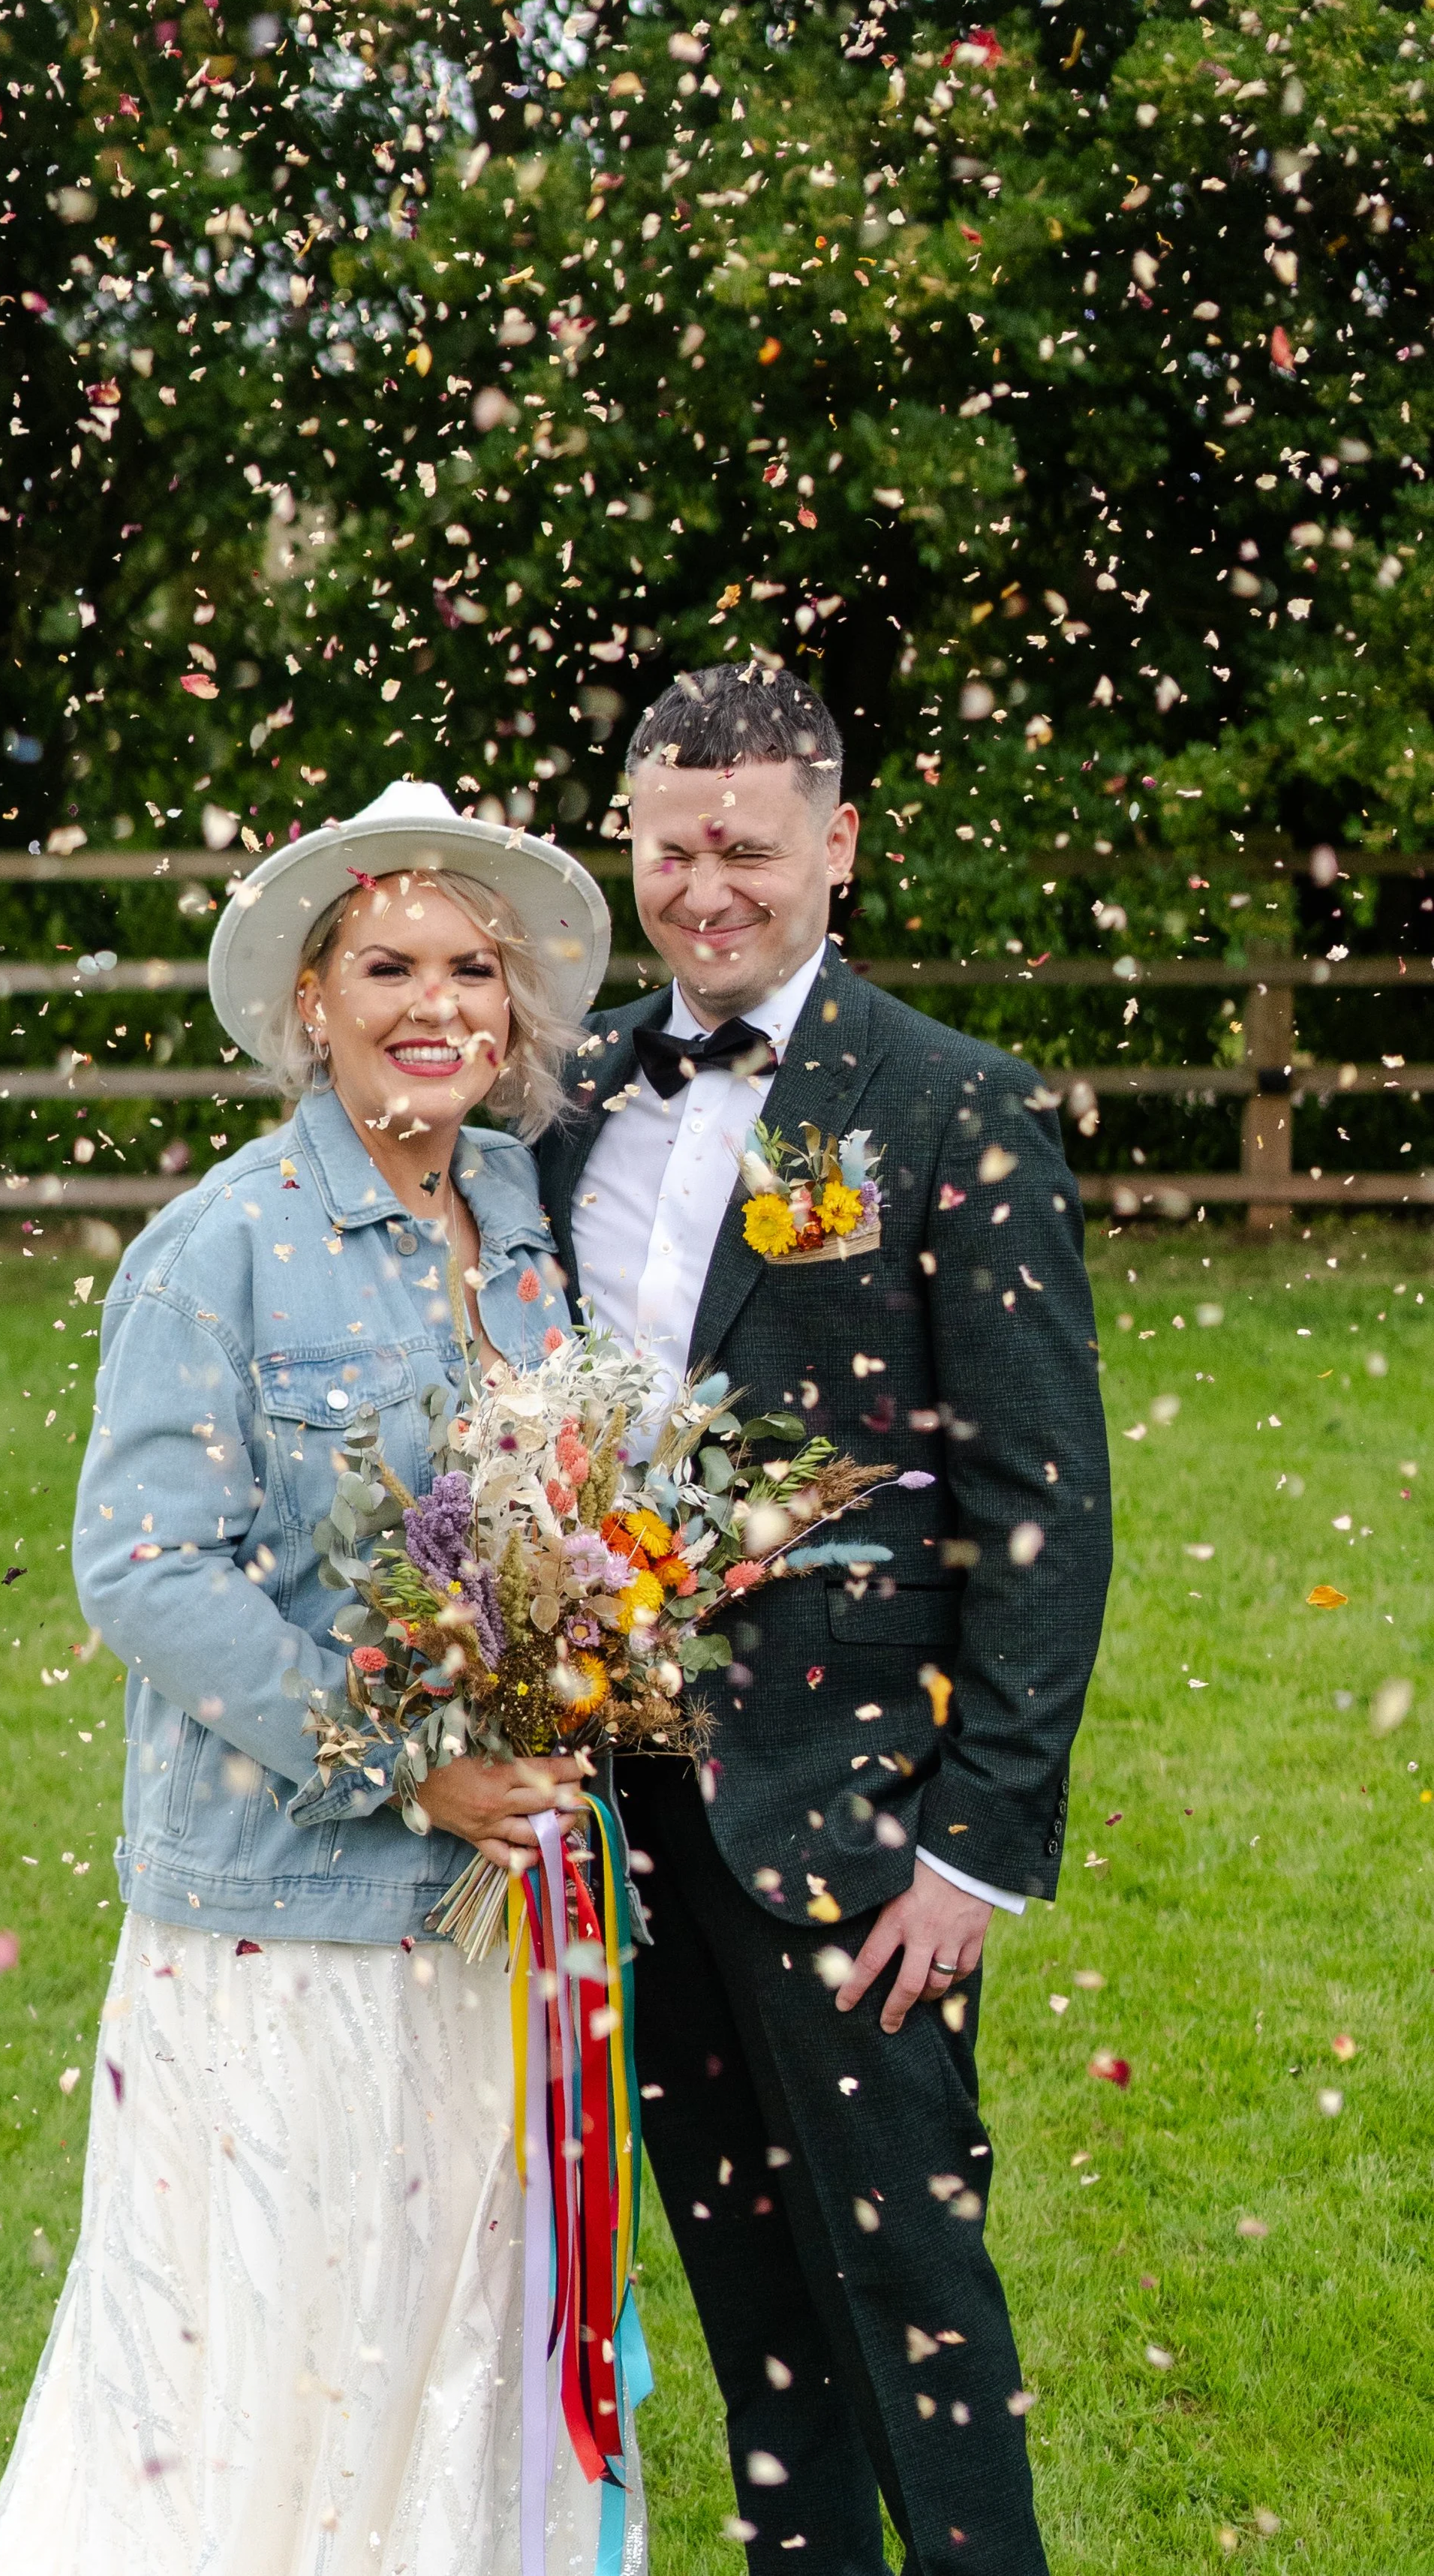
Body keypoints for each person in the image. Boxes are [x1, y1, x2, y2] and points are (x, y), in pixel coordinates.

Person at [0, 780, 634, 2576]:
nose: (433, 1003)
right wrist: (402, 1759)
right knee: (272, 2357)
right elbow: (143, 1571)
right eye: (387, 965)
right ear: (310, 1001)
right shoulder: (215, 1249)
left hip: (487, 1923)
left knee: (446, 2341)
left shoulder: (516, 1217)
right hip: (288, 1918)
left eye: (469, 968)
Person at [537, 665, 1111, 2576]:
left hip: (856, 1821)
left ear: (838, 847)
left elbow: (1045, 1507)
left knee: (911, 2306)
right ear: (627, 843)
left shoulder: (955, 1106)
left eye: (749, 850)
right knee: (746, 2306)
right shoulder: (569, 1097)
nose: (708, 890)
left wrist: (976, 1846)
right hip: (621, 1808)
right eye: (671, 848)